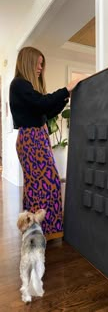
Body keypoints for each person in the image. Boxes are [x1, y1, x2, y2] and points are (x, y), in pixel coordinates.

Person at [9, 46, 87, 241]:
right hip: (32, 140)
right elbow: (42, 103)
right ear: (28, 61)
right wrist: (66, 89)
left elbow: (46, 112)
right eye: (38, 63)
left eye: (42, 65)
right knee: (43, 184)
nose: (40, 68)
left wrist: (65, 96)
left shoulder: (26, 87)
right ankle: (41, 230)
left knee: (42, 184)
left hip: (37, 138)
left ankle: (40, 230)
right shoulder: (19, 84)